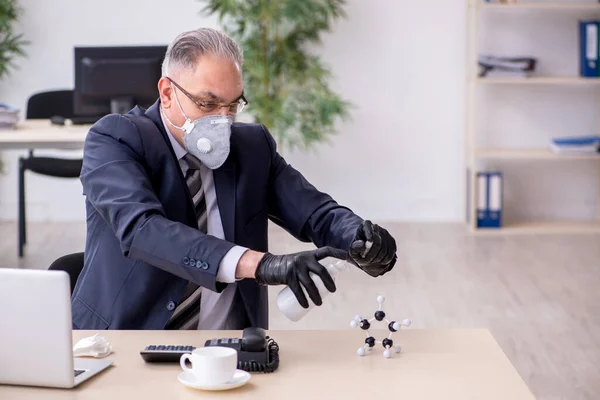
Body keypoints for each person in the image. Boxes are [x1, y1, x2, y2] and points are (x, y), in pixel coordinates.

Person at [72, 28, 397, 330]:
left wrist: (359, 237)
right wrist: (259, 264)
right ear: (168, 92)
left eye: (233, 105)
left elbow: (314, 211)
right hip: (123, 340)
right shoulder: (115, 139)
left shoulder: (251, 146)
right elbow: (142, 230)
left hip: (230, 348)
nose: (222, 120)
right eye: (208, 103)